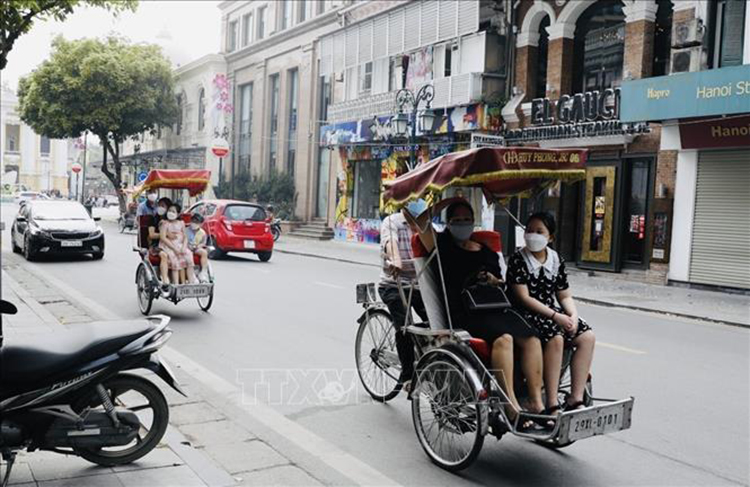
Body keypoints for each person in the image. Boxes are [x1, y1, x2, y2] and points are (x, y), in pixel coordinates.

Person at [405, 198, 548, 431]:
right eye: (456, 220)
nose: (462, 224)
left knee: (532, 338)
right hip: (464, 312)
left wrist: (493, 280)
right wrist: (449, 201)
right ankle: (511, 406)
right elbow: (421, 222)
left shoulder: (487, 251)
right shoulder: (442, 245)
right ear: (448, 224)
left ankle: (537, 403)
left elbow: (501, 282)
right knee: (505, 339)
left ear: (474, 222)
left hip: (494, 306)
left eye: (467, 220)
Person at [507, 212, 596, 413]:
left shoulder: (556, 260)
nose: (533, 235)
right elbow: (524, 298)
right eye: (529, 231)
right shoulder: (518, 260)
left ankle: (576, 397)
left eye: (539, 231)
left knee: (587, 336)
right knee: (556, 337)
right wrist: (557, 317)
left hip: (552, 311)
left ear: (550, 237)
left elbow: (564, 295)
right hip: (524, 313)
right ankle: (552, 401)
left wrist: (572, 315)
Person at [378, 199, 429, 387]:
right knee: (405, 325)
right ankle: (407, 375)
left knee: (438, 322)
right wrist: (396, 259)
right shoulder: (392, 222)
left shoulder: (425, 224)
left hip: (419, 284)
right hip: (394, 283)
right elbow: (391, 243)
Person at [159, 203, 197, 285]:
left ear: (178, 214)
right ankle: (175, 283)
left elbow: (185, 237)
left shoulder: (181, 223)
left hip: (180, 245)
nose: (170, 213)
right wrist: (174, 248)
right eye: (169, 211)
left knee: (189, 255)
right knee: (174, 259)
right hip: (168, 246)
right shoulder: (164, 223)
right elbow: (163, 237)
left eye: (173, 211)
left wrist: (184, 247)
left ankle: (191, 280)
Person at [187, 213, 209, 282]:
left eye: (196, 222)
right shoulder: (186, 230)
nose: (194, 223)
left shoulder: (203, 233)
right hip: (186, 248)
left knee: (204, 252)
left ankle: (203, 271)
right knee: (189, 253)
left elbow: (203, 243)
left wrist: (199, 246)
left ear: (200, 224)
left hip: (196, 248)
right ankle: (192, 273)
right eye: (193, 221)